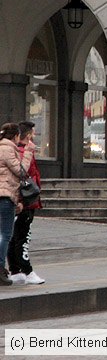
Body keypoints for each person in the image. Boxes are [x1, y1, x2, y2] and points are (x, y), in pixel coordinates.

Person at [8, 121, 43, 285]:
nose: (34, 136)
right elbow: (21, 176)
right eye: (33, 133)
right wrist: (22, 200)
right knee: (22, 237)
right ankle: (27, 271)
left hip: (22, 199)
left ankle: (15, 270)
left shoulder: (16, 151)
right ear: (28, 135)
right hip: (26, 200)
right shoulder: (23, 152)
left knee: (14, 236)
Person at [0, 122, 26, 286]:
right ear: (16, 136)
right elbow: (21, 171)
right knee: (5, 234)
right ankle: (0, 268)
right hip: (5, 196)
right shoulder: (8, 149)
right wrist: (28, 153)